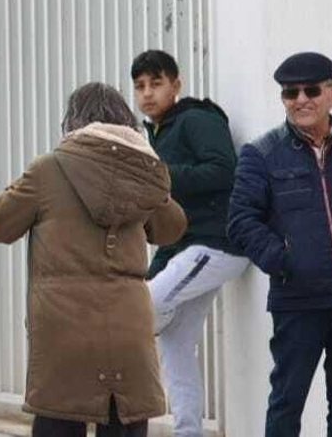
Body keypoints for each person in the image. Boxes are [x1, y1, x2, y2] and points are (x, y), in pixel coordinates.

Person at [0, 83, 187, 437]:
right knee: (125, 422)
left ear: (72, 121)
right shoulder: (143, 174)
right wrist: (152, 180)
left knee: (58, 422)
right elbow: (172, 228)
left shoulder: (49, 169)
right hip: (128, 328)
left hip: (65, 330)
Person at [227, 52, 332, 437]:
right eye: (289, 92)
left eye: (311, 90)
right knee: (287, 401)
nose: (300, 100)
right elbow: (241, 221)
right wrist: (284, 261)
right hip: (297, 302)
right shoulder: (261, 154)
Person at [127, 49, 249, 437]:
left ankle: (147, 325)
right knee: (176, 345)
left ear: (175, 85)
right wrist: (154, 270)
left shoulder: (196, 119)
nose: (147, 93)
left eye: (156, 83)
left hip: (217, 243)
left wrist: (159, 174)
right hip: (186, 248)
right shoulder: (156, 134)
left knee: (140, 308)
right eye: (140, 86)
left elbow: (223, 169)